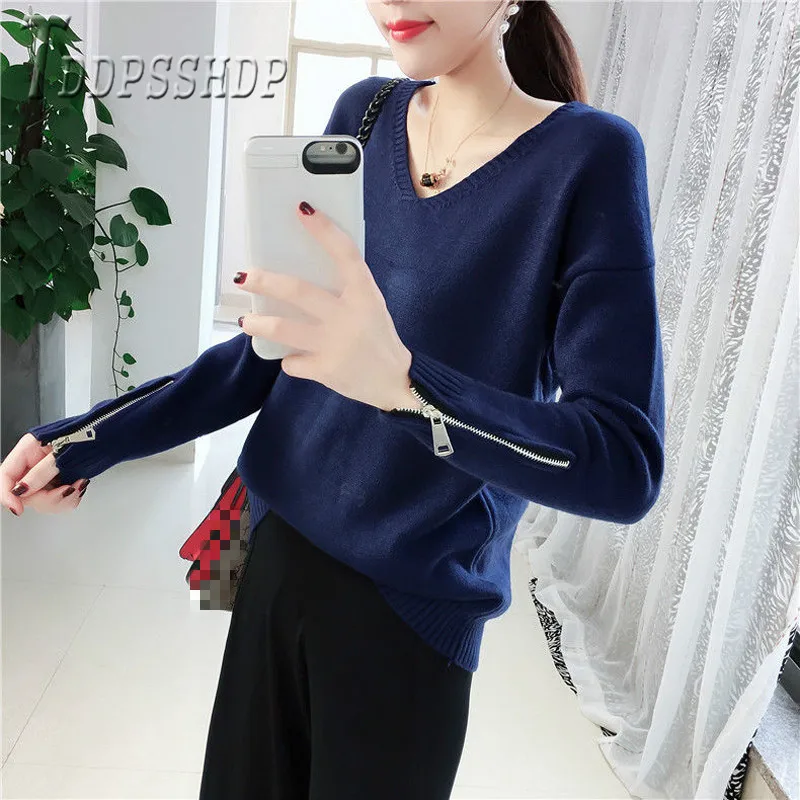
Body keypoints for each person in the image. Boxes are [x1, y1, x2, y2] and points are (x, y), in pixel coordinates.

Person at [0, 1, 666, 797]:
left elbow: (623, 464)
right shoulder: (366, 114)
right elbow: (268, 352)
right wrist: (83, 441)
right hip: (270, 550)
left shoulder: (589, 156)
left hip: (409, 608)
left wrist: (408, 389)